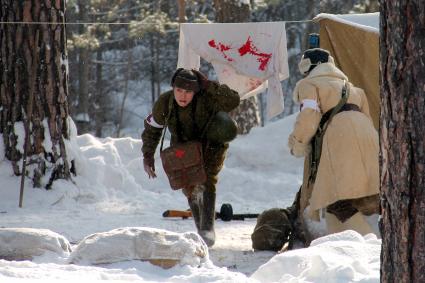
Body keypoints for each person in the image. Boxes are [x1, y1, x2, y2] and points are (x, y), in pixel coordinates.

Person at [141, 68, 240, 247]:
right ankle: (200, 227)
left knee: (206, 180)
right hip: (183, 145)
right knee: (189, 185)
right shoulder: (165, 102)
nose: (183, 96)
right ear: (173, 89)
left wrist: (210, 86)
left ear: (195, 91)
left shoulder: (207, 98)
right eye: (179, 90)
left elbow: (233, 100)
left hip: (211, 144)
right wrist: (148, 155)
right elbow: (152, 129)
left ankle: (207, 229)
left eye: (188, 92)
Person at [287, 48, 380, 237]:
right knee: (342, 197)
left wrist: (297, 142)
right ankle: (339, 244)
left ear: (307, 67)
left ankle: (371, 242)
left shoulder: (309, 85)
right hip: (367, 134)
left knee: (336, 196)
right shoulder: (352, 87)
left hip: (339, 136)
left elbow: (308, 116)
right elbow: (368, 118)